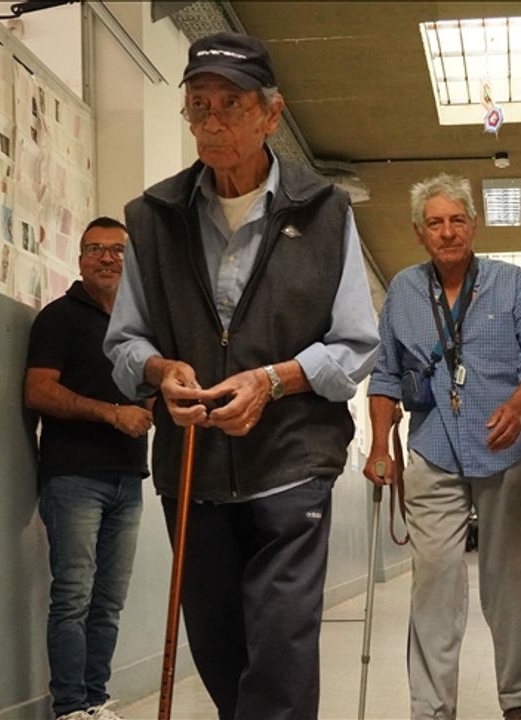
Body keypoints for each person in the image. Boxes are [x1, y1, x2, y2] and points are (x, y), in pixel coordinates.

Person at [103, 32, 379, 720]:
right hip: (193, 472)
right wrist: (160, 370)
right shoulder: (153, 218)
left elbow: (354, 345)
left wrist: (274, 380)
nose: (213, 122)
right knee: (222, 660)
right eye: (198, 105)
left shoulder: (324, 212)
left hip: (292, 464)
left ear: (271, 114)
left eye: (231, 104)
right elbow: (125, 341)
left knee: (280, 660)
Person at [365, 173, 521, 720]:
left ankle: (519, 703)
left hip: (505, 449)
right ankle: (430, 710)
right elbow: (384, 375)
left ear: (474, 225)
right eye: (434, 223)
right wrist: (379, 446)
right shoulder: (403, 291)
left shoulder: (509, 282)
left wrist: (519, 405)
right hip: (433, 450)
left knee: (511, 582)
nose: (447, 232)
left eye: (456, 220)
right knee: (434, 582)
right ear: (419, 232)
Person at [24, 217, 151, 720]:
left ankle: (96, 700)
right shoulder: (59, 318)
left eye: (117, 250)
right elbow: (38, 391)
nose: (107, 258)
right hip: (73, 478)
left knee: (109, 601)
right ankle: (70, 707)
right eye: (95, 249)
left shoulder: (137, 331)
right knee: (73, 597)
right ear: (80, 260)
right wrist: (112, 413)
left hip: (128, 479)